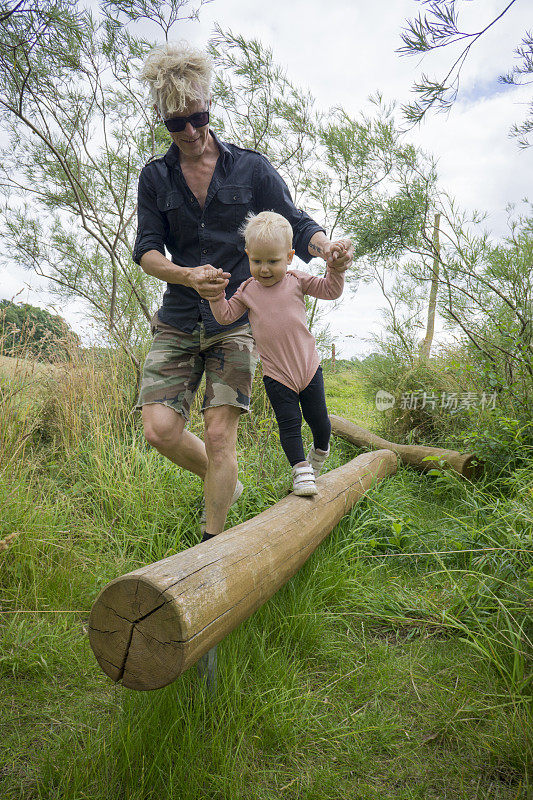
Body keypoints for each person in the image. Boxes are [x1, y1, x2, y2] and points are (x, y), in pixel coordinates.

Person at [133, 42, 353, 541]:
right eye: (176, 123)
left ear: (208, 105)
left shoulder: (250, 168)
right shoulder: (154, 177)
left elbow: (296, 224)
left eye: (198, 117)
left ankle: (212, 545)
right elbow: (146, 251)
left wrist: (326, 249)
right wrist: (187, 276)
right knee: (159, 430)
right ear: (163, 120)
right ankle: (223, 482)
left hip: (234, 322)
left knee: (219, 433)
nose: (189, 131)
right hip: (178, 317)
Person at [208, 211, 346, 497]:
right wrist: (215, 296)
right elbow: (224, 317)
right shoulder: (247, 291)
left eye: (273, 261)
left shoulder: (297, 280)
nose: (265, 269)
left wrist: (336, 269)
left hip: (308, 368)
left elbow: (331, 291)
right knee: (289, 423)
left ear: (289, 256)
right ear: (248, 255)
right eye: (257, 261)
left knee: (319, 422)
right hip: (276, 373)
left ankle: (319, 452)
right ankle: (300, 470)